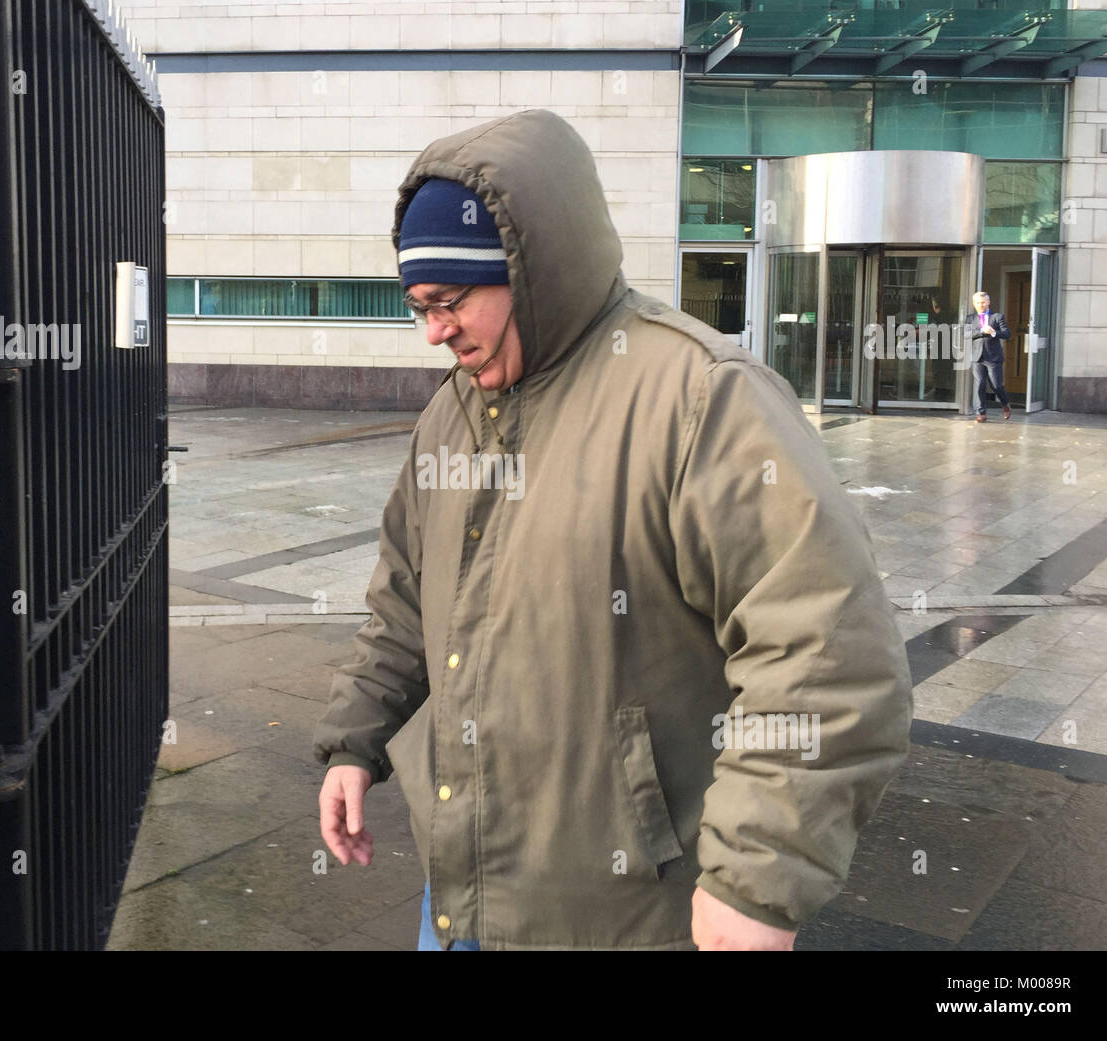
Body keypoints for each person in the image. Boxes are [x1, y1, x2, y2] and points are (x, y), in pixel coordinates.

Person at [312, 109, 913, 951]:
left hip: (627, 918)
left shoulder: (701, 398)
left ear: (530, 271)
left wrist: (759, 877)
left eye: (450, 301)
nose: (434, 332)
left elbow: (829, 651)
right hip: (459, 902)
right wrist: (355, 738)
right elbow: (407, 601)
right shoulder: (450, 416)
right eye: (417, 305)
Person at [964, 291, 1012, 423]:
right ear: (974, 304)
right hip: (977, 357)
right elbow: (966, 334)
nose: (981, 305)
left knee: (996, 385)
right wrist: (981, 331)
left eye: (984, 302)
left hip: (993, 357)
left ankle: (1005, 403)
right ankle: (982, 413)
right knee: (980, 384)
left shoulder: (997, 317)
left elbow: (1007, 334)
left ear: (988, 302)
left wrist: (994, 333)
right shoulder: (970, 318)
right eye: (978, 303)